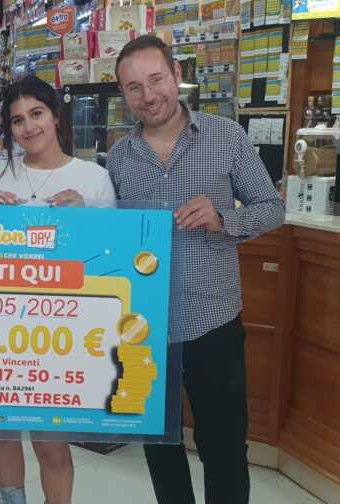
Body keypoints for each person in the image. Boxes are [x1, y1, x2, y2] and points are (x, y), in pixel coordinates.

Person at [108, 35, 285, 504]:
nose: (148, 96)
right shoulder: (120, 157)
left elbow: (272, 208)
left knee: (223, 445)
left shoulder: (226, 137)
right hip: (145, 327)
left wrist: (224, 218)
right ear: (123, 93)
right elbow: (110, 239)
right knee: (159, 445)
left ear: (177, 75)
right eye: (134, 87)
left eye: (156, 80)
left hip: (214, 320)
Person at [0, 75, 116, 504]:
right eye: (17, 120)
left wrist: (85, 216)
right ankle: (11, 498)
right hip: (0, 324)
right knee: (2, 428)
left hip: (61, 330)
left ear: (56, 117)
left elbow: (111, 258)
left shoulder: (93, 178)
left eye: (36, 114)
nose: (28, 126)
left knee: (51, 440)